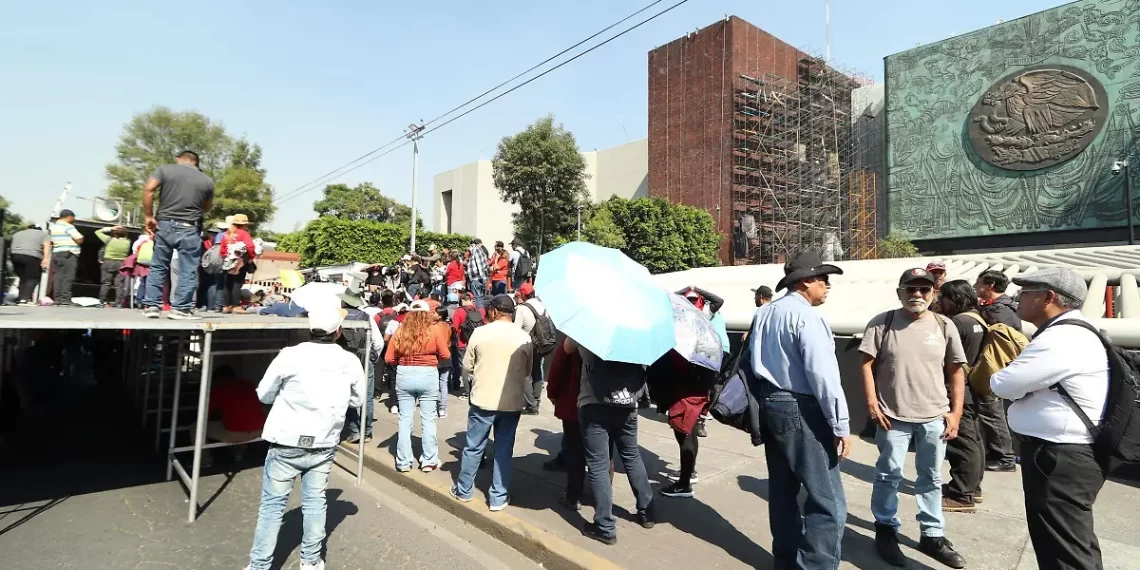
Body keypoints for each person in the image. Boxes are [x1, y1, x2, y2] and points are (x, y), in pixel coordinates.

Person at [990, 267, 1108, 570]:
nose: (1018, 298)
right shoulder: (1074, 331)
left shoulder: (1062, 337)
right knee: (1067, 542)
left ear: (1049, 297)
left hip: (1061, 458)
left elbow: (1002, 383)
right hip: (1065, 455)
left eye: (1025, 293)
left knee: (1064, 550)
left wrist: (1021, 385)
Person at [860, 267, 967, 569]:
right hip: (892, 416)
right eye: (910, 289)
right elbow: (866, 364)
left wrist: (956, 413)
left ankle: (932, 534)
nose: (917, 294)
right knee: (887, 475)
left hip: (934, 416)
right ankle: (885, 528)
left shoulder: (945, 325)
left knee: (931, 477)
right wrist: (871, 402)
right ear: (900, 292)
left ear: (934, 293)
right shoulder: (883, 323)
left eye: (924, 289)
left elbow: (956, 371)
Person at [749, 251, 849, 569]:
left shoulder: (765, 313)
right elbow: (823, 375)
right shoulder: (807, 317)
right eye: (824, 279)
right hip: (799, 405)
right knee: (827, 501)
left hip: (770, 403)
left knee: (782, 491)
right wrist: (840, 424)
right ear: (807, 281)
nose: (828, 286)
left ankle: (786, 561)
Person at [245, 305, 365, 570]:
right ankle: (311, 561)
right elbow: (358, 399)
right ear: (338, 331)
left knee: (272, 507)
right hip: (324, 440)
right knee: (315, 502)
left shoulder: (290, 355)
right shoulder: (349, 361)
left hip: (286, 438)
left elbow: (264, 394)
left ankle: (259, 565)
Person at [567, 336, 655, 545]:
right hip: (627, 404)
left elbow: (568, 347)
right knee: (632, 455)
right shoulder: (635, 333)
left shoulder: (592, 328)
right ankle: (647, 512)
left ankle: (605, 526)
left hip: (594, 404)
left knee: (598, 465)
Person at [451, 295, 534, 511]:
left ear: (494, 312)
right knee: (504, 450)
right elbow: (527, 371)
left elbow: (467, 366)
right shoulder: (524, 337)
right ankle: (498, 497)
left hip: (483, 400)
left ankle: (464, 490)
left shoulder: (480, 333)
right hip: (511, 402)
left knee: (474, 447)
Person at [141, 150, 214, 320]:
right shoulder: (207, 180)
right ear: (196, 163)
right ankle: (180, 309)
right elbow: (208, 206)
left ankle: (152, 306)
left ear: (178, 159)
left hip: (164, 224)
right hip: (189, 227)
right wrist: (194, 213)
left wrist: (148, 216)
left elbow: (149, 189)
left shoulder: (165, 170)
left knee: (159, 265)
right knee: (187, 269)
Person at [937, 280, 988, 514]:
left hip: (957, 390)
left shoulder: (957, 323)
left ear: (954, 298)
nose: (941, 302)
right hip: (973, 388)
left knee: (962, 444)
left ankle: (961, 494)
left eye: (944, 298)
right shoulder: (977, 319)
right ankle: (972, 487)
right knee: (974, 441)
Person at [385, 300, 449, 472]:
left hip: (405, 373)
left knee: (405, 419)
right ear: (427, 314)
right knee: (428, 419)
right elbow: (445, 354)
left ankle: (404, 462)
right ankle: (429, 460)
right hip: (428, 373)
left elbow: (389, 358)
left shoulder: (400, 331)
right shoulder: (434, 330)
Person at [973, 269, 1021, 472]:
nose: (976, 286)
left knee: (992, 411)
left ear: (990, 285)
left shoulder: (997, 311)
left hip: (994, 368)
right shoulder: (1006, 308)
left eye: (979, 283)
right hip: (1001, 366)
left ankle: (1005, 458)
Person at [546, 334, 585, 507]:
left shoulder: (574, 337)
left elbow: (557, 367)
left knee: (575, 451)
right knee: (604, 455)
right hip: (607, 406)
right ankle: (603, 496)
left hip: (575, 402)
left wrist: (552, 393)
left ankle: (573, 496)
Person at [514, 282, 547, 415]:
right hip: (542, 344)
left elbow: (515, 330)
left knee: (525, 375)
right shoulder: (543, 306)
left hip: (527, 344)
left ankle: (531, 405)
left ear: (522, 294)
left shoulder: (521, 309)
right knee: (537, 371)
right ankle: (537, 399)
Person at [219, 215, 257, 314]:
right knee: (237, 284)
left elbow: (222, 250)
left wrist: (226, 257)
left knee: (227, 284)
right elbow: (250, 246)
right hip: (240, 262)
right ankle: (236, 305)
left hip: (227, 262)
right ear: (244, 225)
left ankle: (226, 306)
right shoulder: (244, 234)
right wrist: (251, 257)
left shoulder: (226, 234)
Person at [451, 292, 485, 399]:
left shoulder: (459, 312)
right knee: (478, 366)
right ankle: (479, 389)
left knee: (465, 367)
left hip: (463, 343)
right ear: (471, 300)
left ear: (462, 300)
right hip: (478, 342)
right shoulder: (480, 310)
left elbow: (455, 328)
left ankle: (467, 392)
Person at [48, 209, 84, 305]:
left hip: (56, 253)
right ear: (69, 217)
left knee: (58, 276)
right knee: (68, 276)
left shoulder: (53, 227)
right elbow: (79, 239)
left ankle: (58, 298)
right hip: (68, 253)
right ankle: (65, 299)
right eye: (73, 217)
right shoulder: (68, 226)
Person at [9, 224, 50, 304]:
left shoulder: (17, 233)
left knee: (23, 278)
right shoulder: (44, 234)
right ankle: (24, 299)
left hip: (15, 256)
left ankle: (20, 297)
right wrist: (45, 259)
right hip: (32, 256)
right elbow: (47, 245)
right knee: (33, 278)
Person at [95, 225, 131, 306]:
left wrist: (111, 228)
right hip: (121, 263)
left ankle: (102, 301)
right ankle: (118, 303)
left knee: (106, 283)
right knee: (119, 284)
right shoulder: (127, 242)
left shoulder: (109, 239)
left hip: (108, 262)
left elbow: (97, 232)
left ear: (114, 233)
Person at [434, 305, 453, 418]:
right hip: (447, 356)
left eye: (435, 313)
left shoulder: (435, 327)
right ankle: (442, 408)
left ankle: (434, 408)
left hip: (436, 357)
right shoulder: (448, 326)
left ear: (440, 315)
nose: (433, 315)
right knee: (443, 383)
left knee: (435, 383)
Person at [465, 238, 490, 308]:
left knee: (478, 298)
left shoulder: (476, 250)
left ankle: (480, 314)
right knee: (479, 297)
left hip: (477, 279)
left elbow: (480, 265)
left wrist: (482, 278)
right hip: (478, 278)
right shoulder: (478, 250)